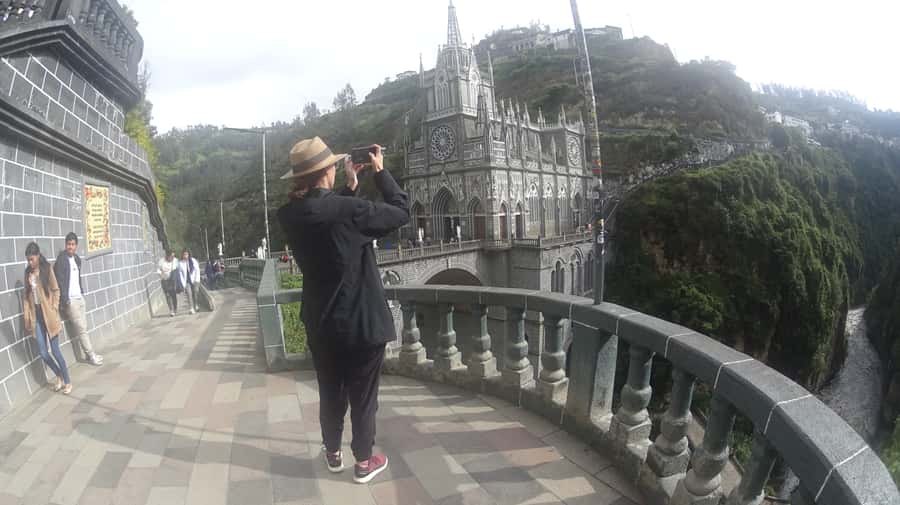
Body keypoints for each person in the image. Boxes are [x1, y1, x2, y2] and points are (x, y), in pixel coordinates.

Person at [277, 137, 409, 484]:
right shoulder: (349, 212)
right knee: (363, 397)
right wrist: (380, 173)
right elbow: (400, 211)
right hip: (361, 323)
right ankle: (364, 461)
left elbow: (331, 227)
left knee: (330, 391)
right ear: (327, 172)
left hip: (322, 323)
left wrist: (349, 189)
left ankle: (332, 451)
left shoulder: (289, 215)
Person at [23, 242, 72, 394]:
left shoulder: (47, 269)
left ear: (38, 256)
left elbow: (56, 290)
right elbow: (26, 296)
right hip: (36, 316)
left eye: (31, 259)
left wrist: (54, 308)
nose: (29, 262)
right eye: (28, 260)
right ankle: (58, 375)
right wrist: (28, 316)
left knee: (56, 351)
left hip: (49, 315)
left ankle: (67, 380)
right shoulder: (28, 273)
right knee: (43, 353)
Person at [54, 232, 103, 366]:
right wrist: (65, 300)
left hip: (80, 298)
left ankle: (88, 355)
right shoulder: (61, 260)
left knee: (84, 327)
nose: (70, 247)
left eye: (73, 244)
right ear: (66, 245)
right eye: (68, 244)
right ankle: (91, 354)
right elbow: (60, 281)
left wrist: (81, 292)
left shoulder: (76, 259)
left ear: (76, 246)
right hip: (71, 301)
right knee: (81, 328)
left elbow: (77, 278)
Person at [177, 249, 200, 314]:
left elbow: (197, 270)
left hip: (195, 279)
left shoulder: (193, 261)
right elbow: (180, 274)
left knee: (195, 292)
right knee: (189, 294)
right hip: (186, 281)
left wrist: (196, 280)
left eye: (186, 254)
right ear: (182, 255)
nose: (185, 256)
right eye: (184, 254)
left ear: (189, 254)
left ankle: (196, 304)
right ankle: (191, 308)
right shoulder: (180, 263)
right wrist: (182, 283)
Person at [157, 250, 179, 316]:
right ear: (167, 256)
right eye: (171, 256)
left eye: (173, 256)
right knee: (167, 295)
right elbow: (158, 270)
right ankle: (171, 310)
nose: (172, 257)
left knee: (173, 295)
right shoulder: (161, 261)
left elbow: (178, 270)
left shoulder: (175, 260)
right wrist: (161, 274)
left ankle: (175, 308)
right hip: (164, 280)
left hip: (172, 280)